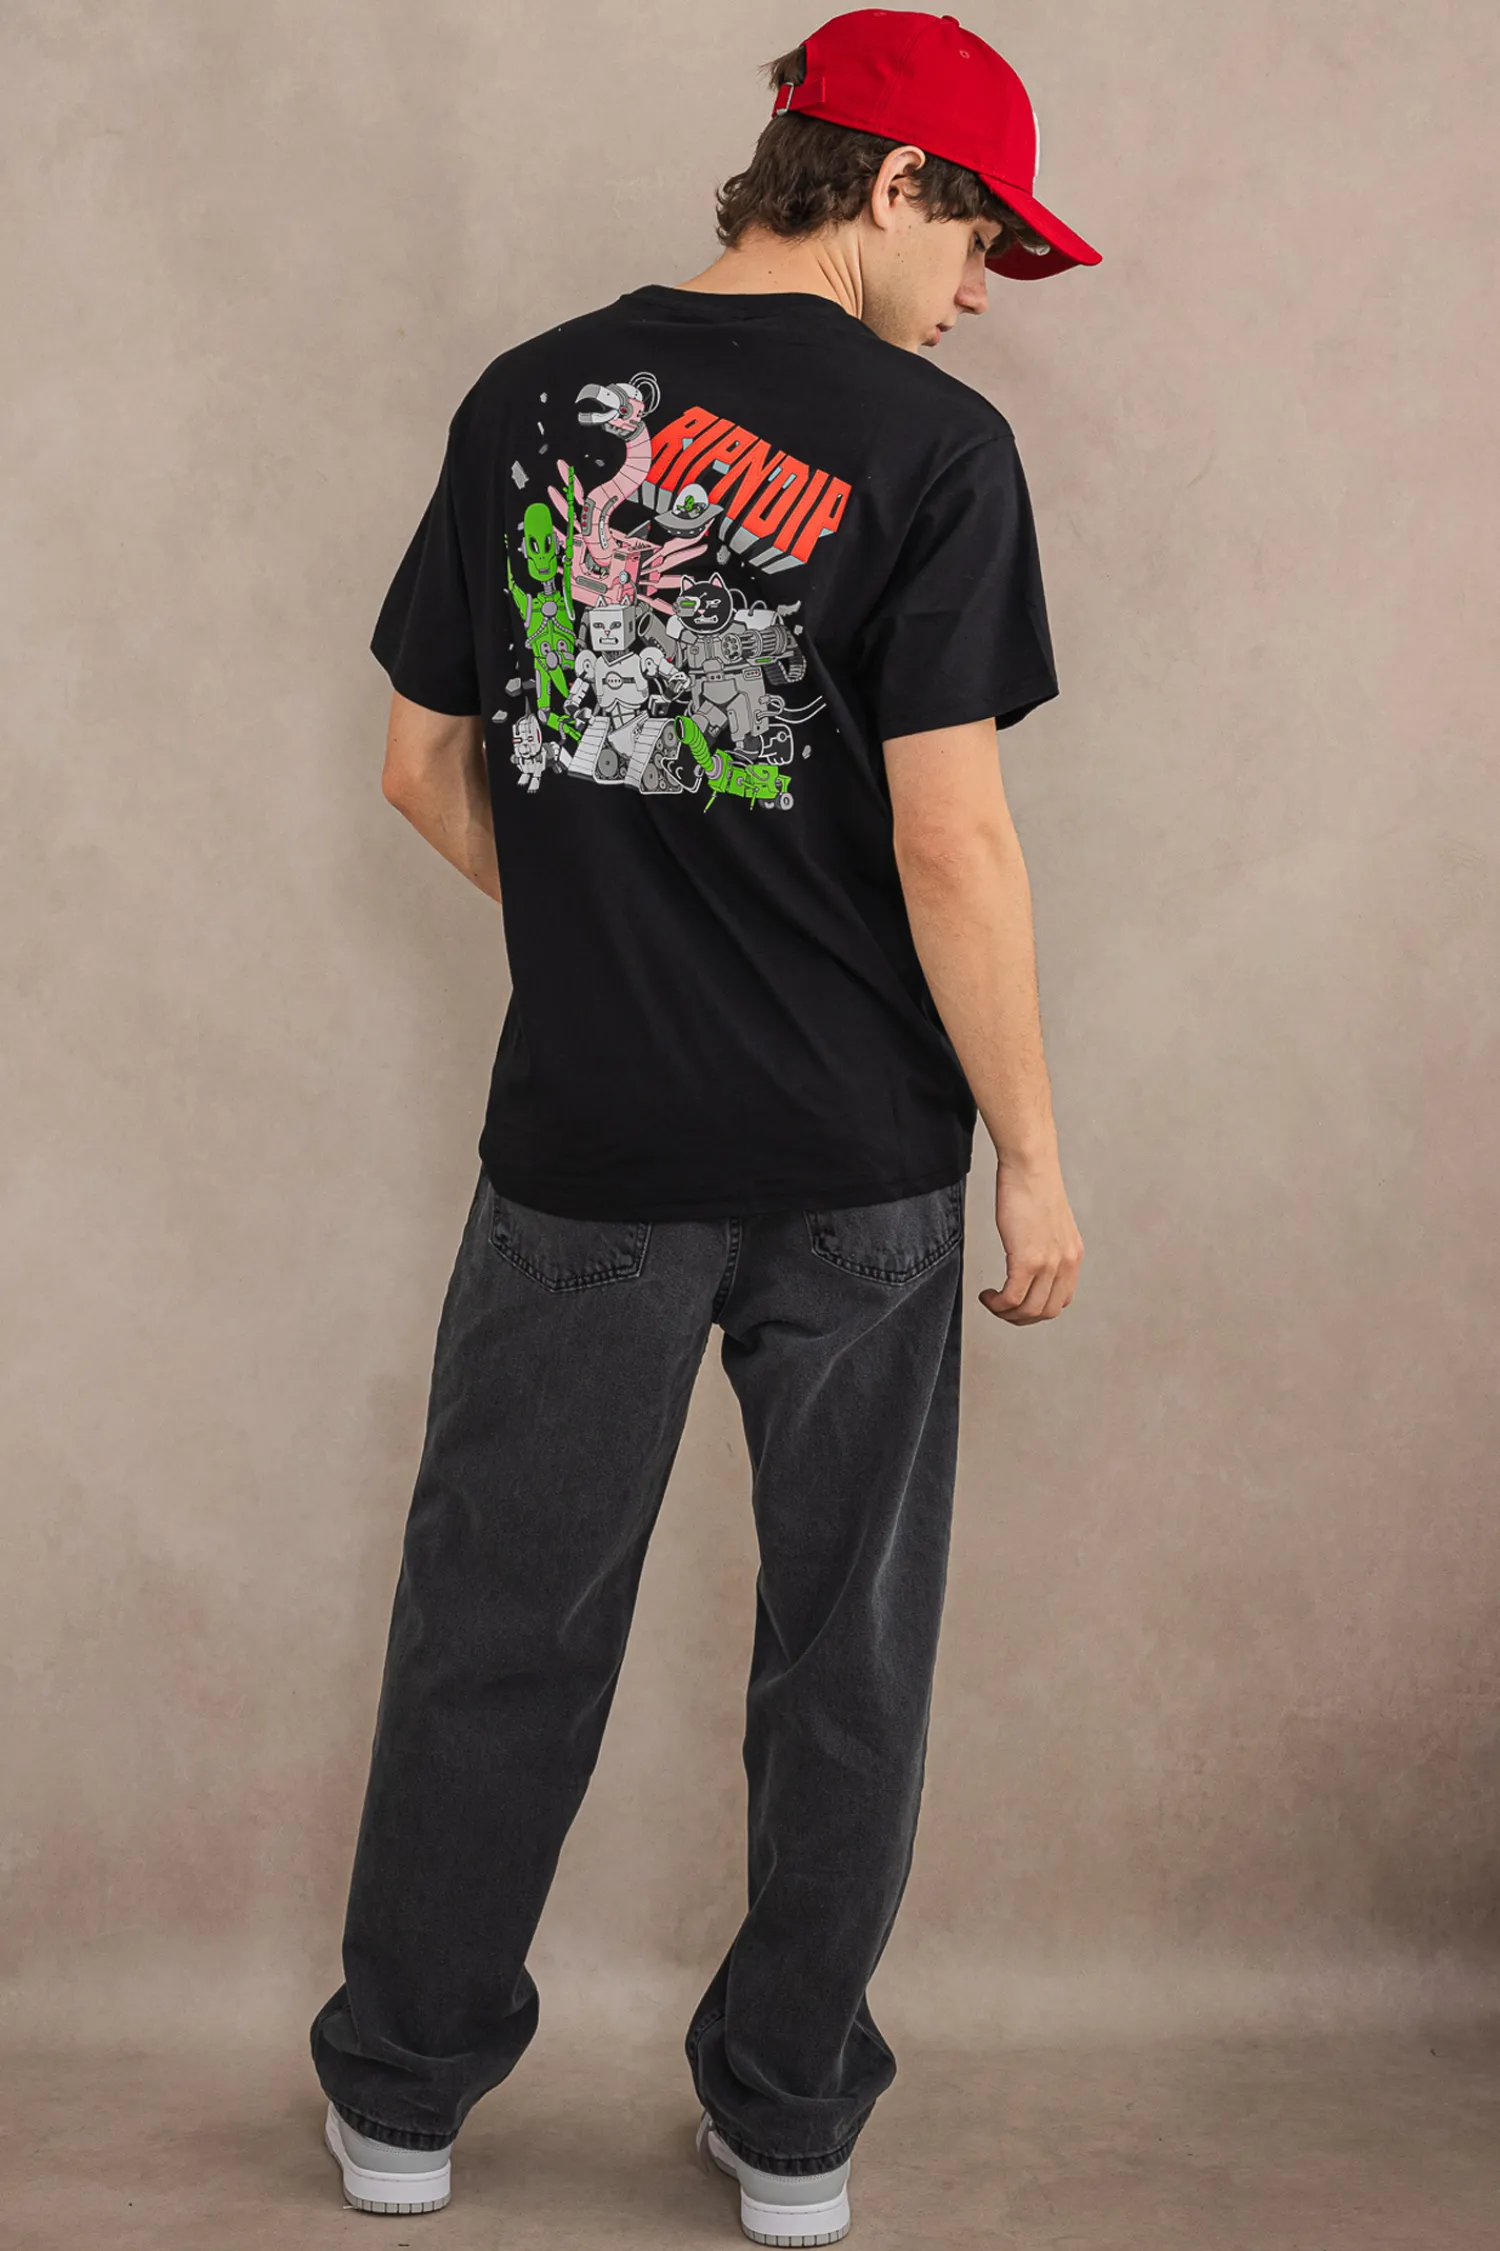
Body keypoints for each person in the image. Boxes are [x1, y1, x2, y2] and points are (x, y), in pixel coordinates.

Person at [311, 10, 1096, 2240]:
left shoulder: (525, 397)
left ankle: (402, 2102)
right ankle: (790, 2127)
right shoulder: (938, 449)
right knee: (844, 1651)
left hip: (587, 1142)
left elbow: (421, 764)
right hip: (863, 1162)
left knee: (498, 1619)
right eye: (983, 241)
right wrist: (1033, 1150)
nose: (981, 296)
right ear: (893, 184)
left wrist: (611, 940)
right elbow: (952, 841)